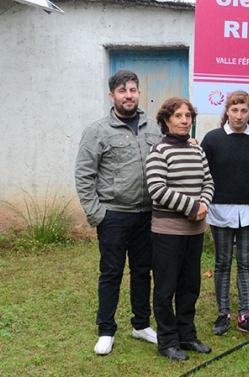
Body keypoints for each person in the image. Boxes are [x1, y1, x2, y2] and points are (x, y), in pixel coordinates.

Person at [75, 69, 161, 355]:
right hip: (113, 215)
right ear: (112, 96)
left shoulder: (153, 128)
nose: (129, 95)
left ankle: (141, 325)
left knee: (142, 272)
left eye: (133, 90)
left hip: (147, 214)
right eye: (122, 91)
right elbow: (84, 175)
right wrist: (96, 214)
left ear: (139, 93)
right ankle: (106, 330)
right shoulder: (98, 131)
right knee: (111, 272)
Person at [201, 90, 249, 336]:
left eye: (244, 110)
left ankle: (245, 315)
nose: (239, 115)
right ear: (227, 111)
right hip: (220, 212)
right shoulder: (212, 139)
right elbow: (200, 172)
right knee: (222, 263)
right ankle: (223, 313)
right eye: (234, 110)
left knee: (246, 264)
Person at [146, 97, 215, 361]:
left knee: (190, 286)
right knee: (165, 288)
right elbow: (157, 189)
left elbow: (208, 182)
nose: (184, 120)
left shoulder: (197, 150)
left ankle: (187, 336)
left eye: (188, 116)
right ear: (165, 120)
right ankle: (167, 342)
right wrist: (191, 206)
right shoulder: (159, 151)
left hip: (194, 232)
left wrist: (203, 204)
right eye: (178, 116)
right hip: (167, 231)